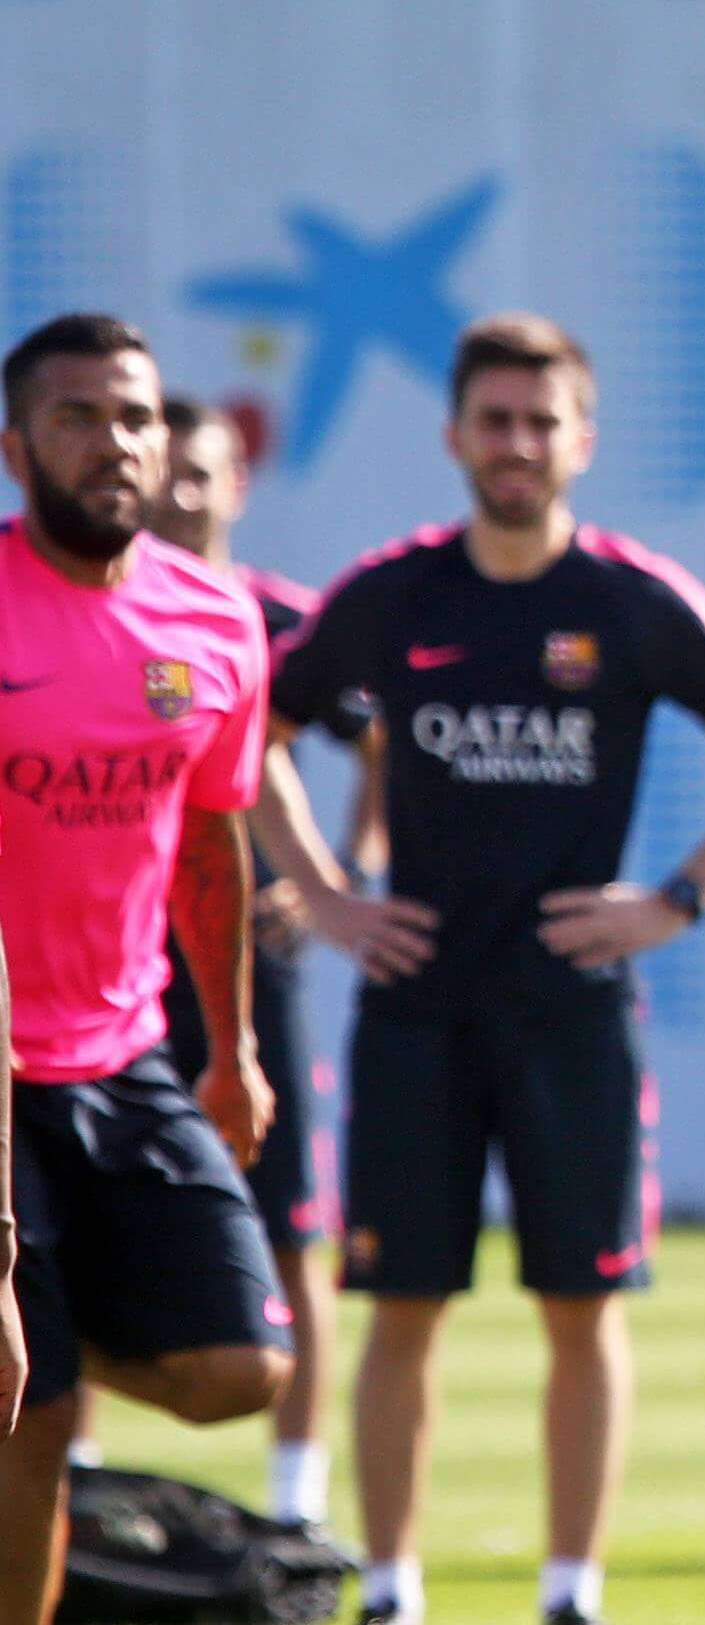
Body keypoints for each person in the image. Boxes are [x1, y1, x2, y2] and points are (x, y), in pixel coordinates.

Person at [267, 315, 705, 1625]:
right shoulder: (396, 597)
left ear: (583, 438)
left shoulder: (633, 601)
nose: (517, 444)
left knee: (584, 1304)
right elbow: (254, 730)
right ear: (455, 436)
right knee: (404, 1305)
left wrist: (675, 898)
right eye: (495, 420)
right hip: (416, 1007)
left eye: (543, 420)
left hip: (573, 1005)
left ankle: (571, 1596)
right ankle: (388, 1592)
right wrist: (331, 893)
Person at [0, 314, 294, 1625]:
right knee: (32, 1421)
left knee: (244, 1367)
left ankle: (54, 1325)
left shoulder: (213, 616)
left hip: (128, 1057)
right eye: (73, 416)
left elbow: (215, 839)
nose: (111, 443)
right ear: (16, 444)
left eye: (130, 416)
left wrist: (229, 1045)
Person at [144, 395, 374, 1534]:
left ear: (239, 483)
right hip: (113, 967)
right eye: (166, 469)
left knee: (289, 1231)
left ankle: (297, 1506)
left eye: (205, 471)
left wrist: (334, 880)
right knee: (64, 1232)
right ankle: (77, 1482)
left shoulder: (278, 617)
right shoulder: (98, 617)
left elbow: (368, 743)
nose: (182, 492)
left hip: (238, 959)